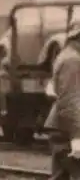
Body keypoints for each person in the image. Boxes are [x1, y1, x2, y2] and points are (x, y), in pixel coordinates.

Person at [43, 26, 80, 179]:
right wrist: (77, 136)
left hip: (62, 126)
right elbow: (70, 99)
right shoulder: (73, 60)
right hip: (67, 129)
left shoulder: (67, 55)